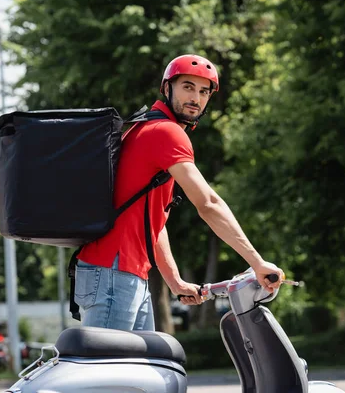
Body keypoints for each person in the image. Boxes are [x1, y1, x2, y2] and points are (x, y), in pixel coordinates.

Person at [74, 54, 285, 332]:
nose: (195, 98)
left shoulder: (146, 128)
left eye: (203, 91)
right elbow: (208, 203)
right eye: (187, 86)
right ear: (167, 88)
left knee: (140, 370)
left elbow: (154, 221)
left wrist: (174, 281)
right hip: (114, 271)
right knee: (107, 372)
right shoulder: (166, 133)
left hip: (126, 272)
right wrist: (256, 263)